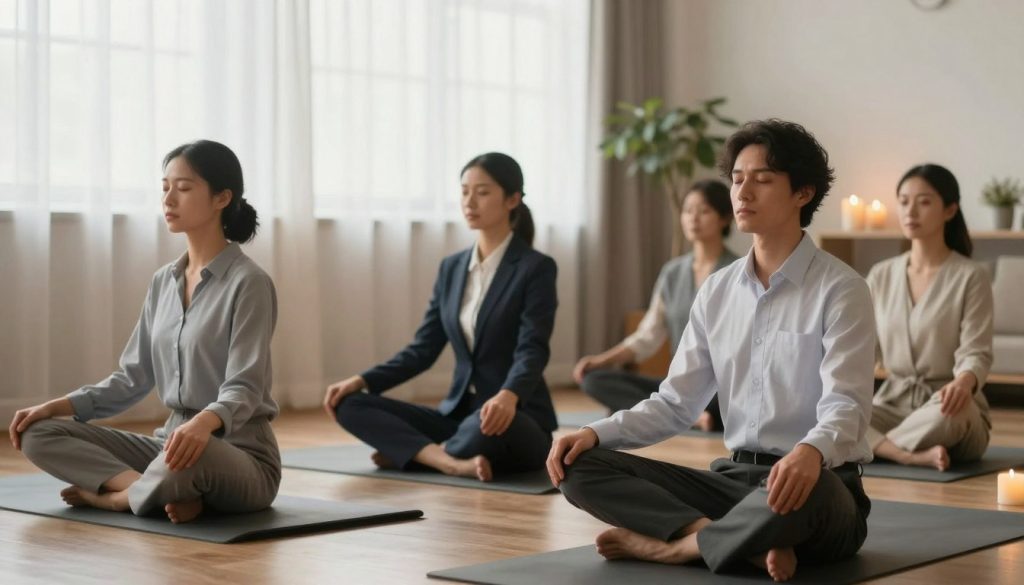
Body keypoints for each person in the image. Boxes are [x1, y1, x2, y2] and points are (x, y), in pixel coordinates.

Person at [547, 120, 876, 582]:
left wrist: (810, 451)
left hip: (820, 487)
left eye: (762, 180)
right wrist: (596, 433)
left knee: (812, 488)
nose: (743, 192)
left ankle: (677, 548)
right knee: (578, 466)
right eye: (737, 179)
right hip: (733, 485)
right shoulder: (717, 291)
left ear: (803, 193)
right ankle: (716, 537)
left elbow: (847, 406)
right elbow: (675, 403)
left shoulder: (842, 289)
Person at [10, 140, 280, 524]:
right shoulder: (162, 282)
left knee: (195, 451)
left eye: (184, 189)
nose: (169, 199)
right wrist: (57, 406)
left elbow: (245, 387)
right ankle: (151, 489)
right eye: (165, 187)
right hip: (167, 451)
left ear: (222, 198)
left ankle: (118, 499)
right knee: (39, 433)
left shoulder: (249, 283)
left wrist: (202, 423)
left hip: (239, 456)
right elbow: (132, 378)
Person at [324, 152, 558, 482]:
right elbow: (423, 349)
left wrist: (509, 395)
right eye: (464, 191)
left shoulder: (535, 268)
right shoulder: (452, 268)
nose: (469, 201)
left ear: (513, 199)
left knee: (483, 426)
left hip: (517, 416)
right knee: (348, 404)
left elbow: (532, 349)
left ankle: (418, 453)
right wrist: (363, 381)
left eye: (483, 191)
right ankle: (448, 461)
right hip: (459, 415)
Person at [573, 179, 739, 431]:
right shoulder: (672, 273)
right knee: (595, 380)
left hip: (722, 387)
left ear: (725, 218)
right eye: (687, 210)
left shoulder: (739, 271)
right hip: (679, 385)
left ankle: (682, 415)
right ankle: (689, 417)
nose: (693, 218)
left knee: (727, 399)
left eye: (704, 211)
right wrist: (601, 361)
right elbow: (647, 336)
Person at [867, 164, 993, 471]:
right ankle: (906, 455)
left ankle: (871, 447)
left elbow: (976, 352)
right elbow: (861, 349)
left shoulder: (971, 276)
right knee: (826, 412)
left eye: (924, 202)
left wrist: (963, 383)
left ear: (950, 210)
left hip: (947, 406)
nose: (911, 211)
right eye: (904, 201)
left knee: (953, 411)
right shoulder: (880, 275)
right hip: (891, 403)